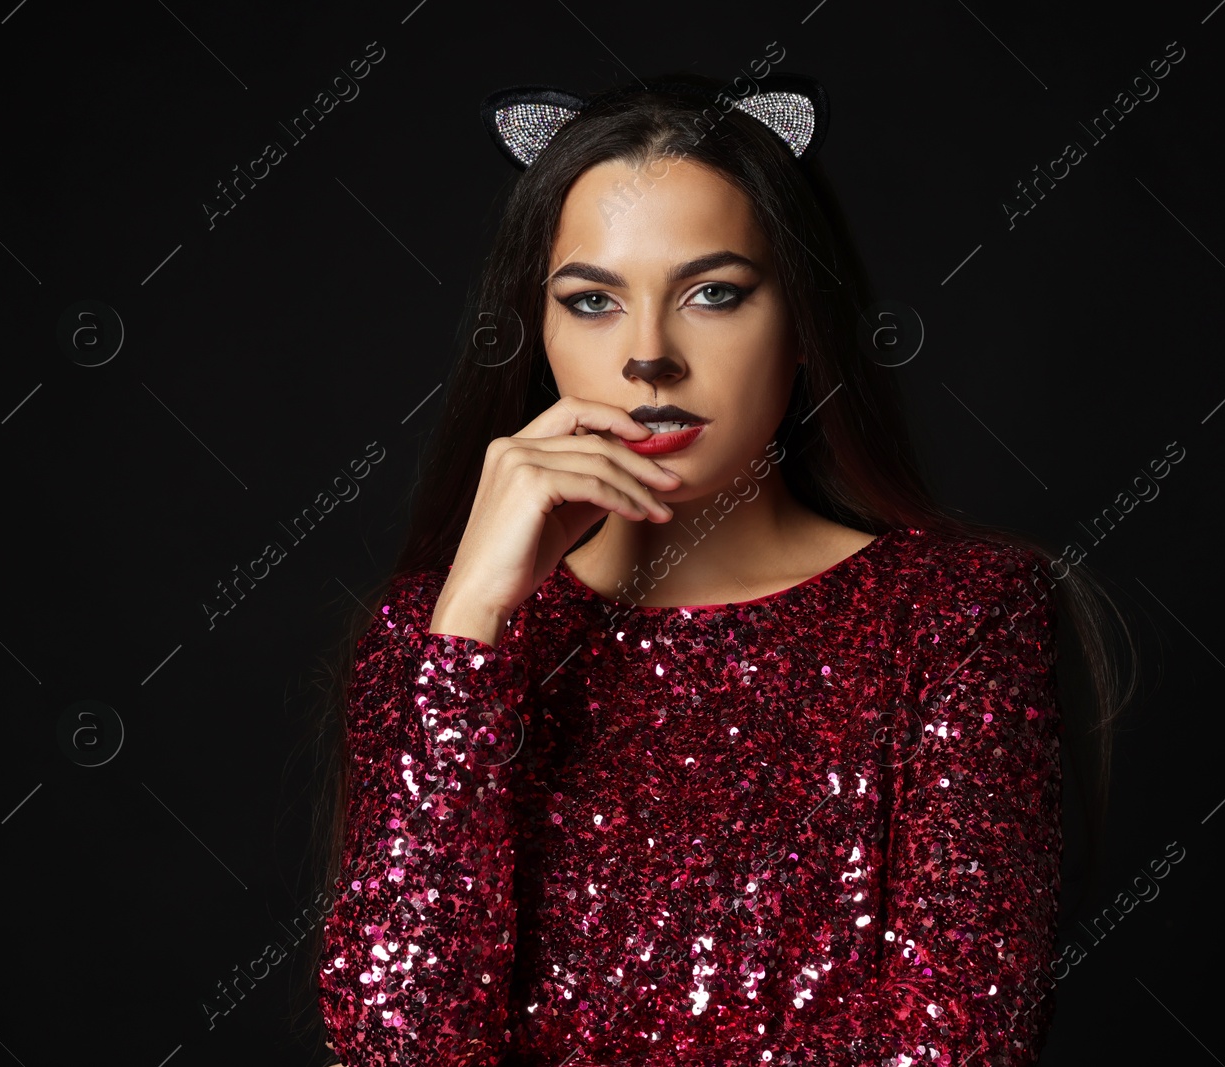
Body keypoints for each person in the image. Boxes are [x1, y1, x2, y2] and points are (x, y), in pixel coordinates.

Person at [307, 70, 1131, 1067]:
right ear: (541, 337)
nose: (650, 356)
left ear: (800, 327)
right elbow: (394, 1049)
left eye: (712, 293)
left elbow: (961, 1045)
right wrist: (470, 623)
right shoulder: (438, 639)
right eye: (593, 300)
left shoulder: (956, 617)